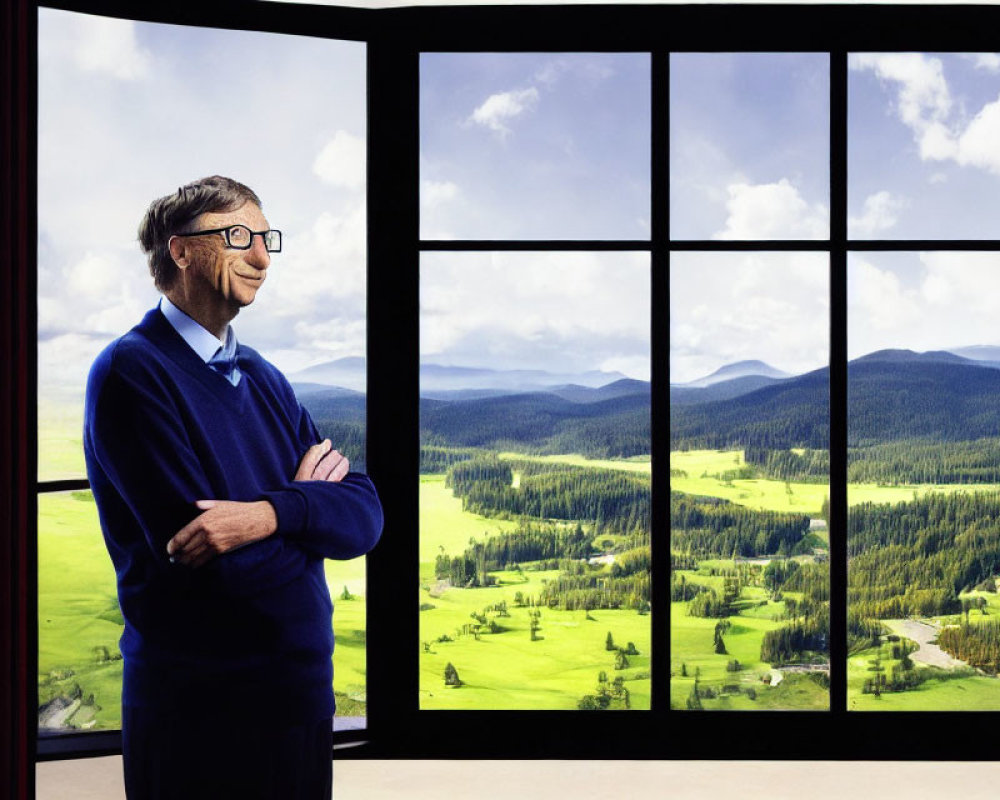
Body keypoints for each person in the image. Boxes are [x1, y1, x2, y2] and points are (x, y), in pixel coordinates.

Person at [83, 175, 383, 799]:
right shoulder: (132, 372)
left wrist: (268, 516)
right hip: (201, 714)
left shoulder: (262, 376)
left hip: (298, 700)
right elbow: (217, 572)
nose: (262, 257)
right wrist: (309, 509)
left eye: (266, 237)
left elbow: (365, 515)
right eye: (240, 235)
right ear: (182, 251)